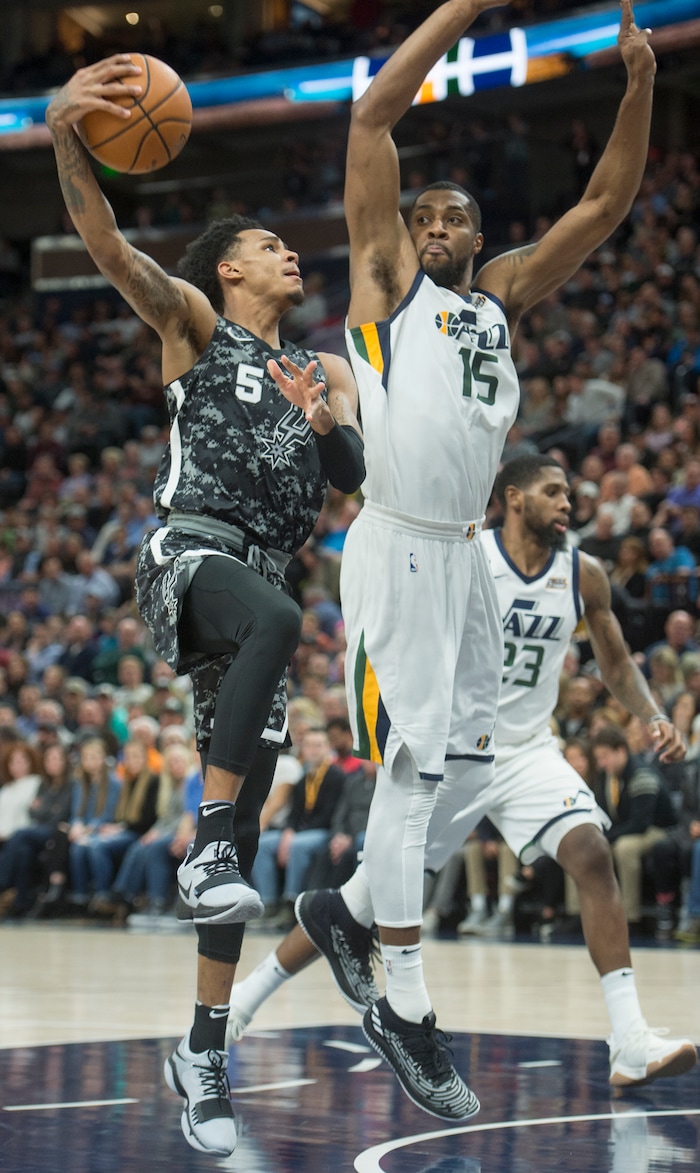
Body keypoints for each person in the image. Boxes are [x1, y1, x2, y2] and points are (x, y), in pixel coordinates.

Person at [288, 0, 660, 1124]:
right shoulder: (386, 288)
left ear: (481, 237)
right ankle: (401, 998)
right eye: (425, 213)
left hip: (464, 565)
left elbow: (603, 204)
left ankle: (351, 923)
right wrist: (456, 8)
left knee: (448, 764)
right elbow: (370, 117)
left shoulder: (496, 301)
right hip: (400, 539)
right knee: (408, 769)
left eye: (458, 215)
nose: (438, 225)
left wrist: (639, 84)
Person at [46, 58, 364, 1159]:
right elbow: (108, 250)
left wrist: (321, 417)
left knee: (229, 892)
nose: (289, 253)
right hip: (190, 557)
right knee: (273, 635)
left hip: (263, 587)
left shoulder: (318, 368)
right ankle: (210, 838)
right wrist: (62, 139)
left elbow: (355, 476)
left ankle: (204, 1051)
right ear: (229, 270)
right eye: (269, 242)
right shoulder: (193, 325)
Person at [227, 455, 697, 1091]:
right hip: (456, 749)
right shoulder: (469, 558)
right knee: (363, 903)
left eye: (569, 493)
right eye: (552, 492)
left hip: (529, 748)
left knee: (591, 852)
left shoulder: (583, 574)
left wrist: (650, 714)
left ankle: (631, 1041)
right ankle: (244, 1002)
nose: (567, 503)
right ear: (513, 498)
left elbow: (614, 659)